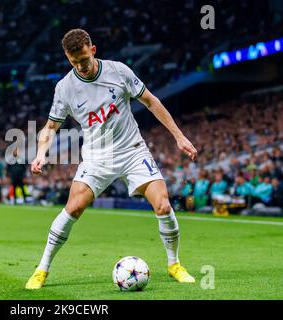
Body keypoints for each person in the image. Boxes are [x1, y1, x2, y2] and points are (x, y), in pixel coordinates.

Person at [26, 29, 198, 289]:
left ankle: (174, 264)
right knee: (73, 208)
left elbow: (151, 101)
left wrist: (179, 136)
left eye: (84, 59)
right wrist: (40, 154)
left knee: (163, 205)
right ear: (67, 58)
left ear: (92, 50)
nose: (81, 66)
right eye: (75, 62)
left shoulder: (119, 72)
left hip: (132, 150)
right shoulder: (65, 88)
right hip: (97, 157)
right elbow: (50, 127)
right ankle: (42, 269)